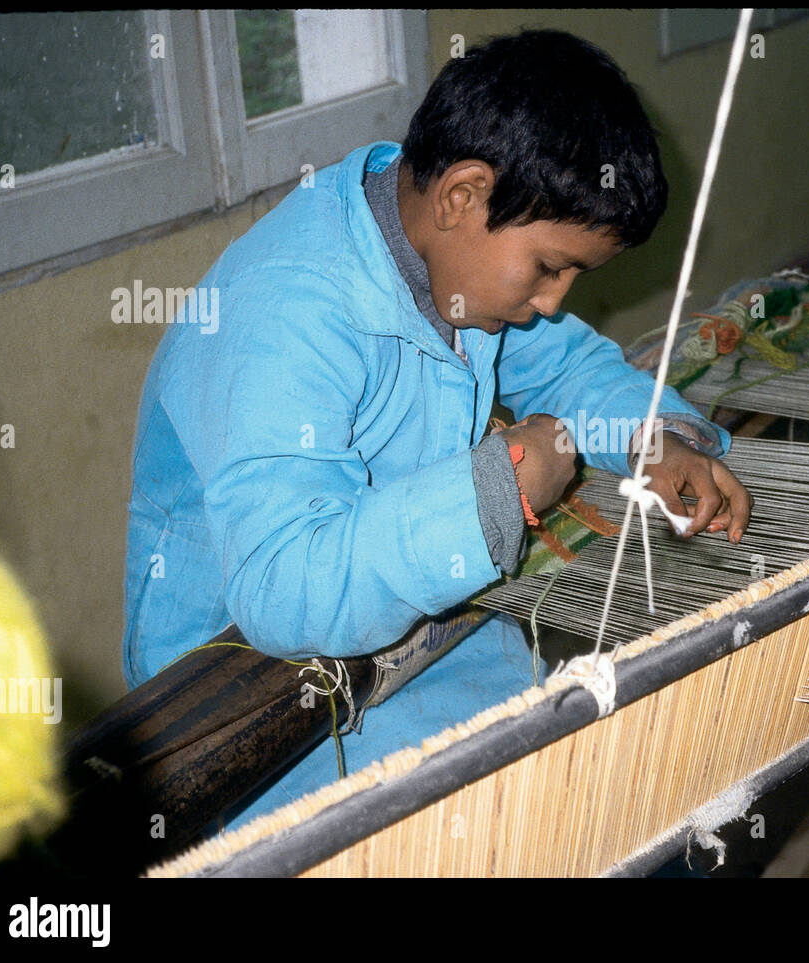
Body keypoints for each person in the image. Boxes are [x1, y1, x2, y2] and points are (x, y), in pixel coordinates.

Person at [122, 29, 751, 829]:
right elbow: (284, 583)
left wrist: (653, 435)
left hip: (418, 631)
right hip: (254, 703)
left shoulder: (451, 253)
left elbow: (564, 367)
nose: (556, 299)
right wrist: (498, 487)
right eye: (550, 267)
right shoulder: (283, 315)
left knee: (595, 800)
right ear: (462, 195)